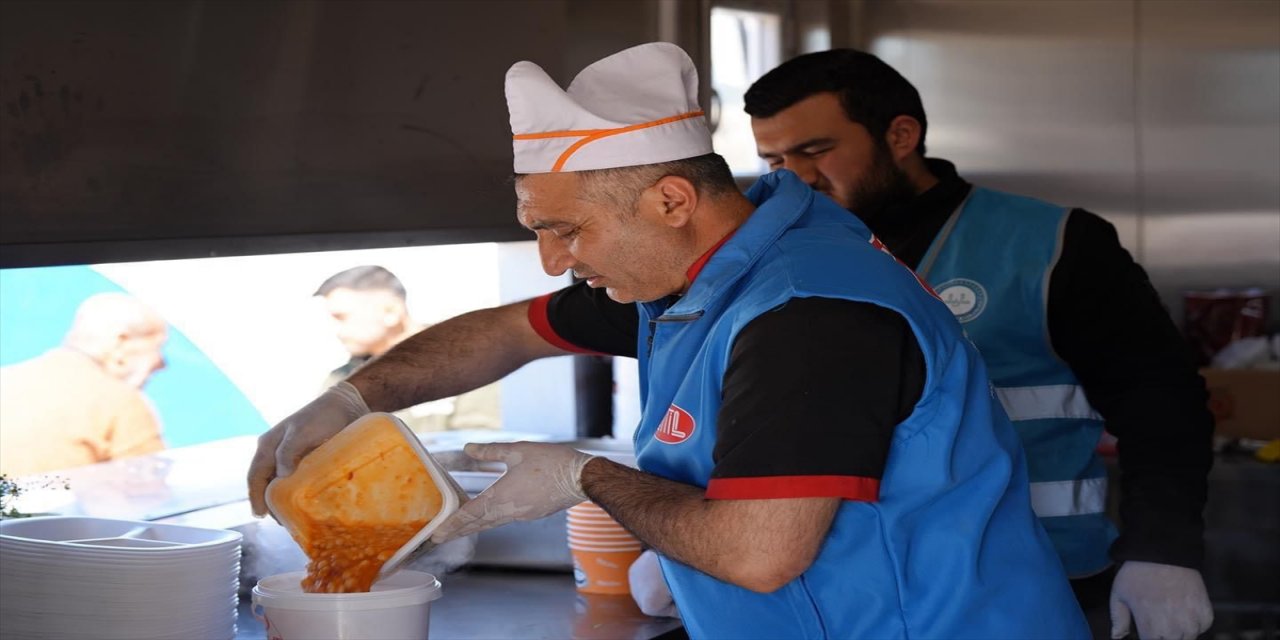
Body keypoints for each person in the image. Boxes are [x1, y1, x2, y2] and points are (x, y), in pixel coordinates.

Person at [249, 42, 1088, 637]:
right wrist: (350, 398)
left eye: (566, 230)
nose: (553, 262)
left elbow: (759, 555)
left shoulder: (808, 314)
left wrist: (583, 476)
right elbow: (505, 333)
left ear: (673, 202)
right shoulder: (695, 275)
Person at [736, 49, 1215, 639]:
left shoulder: (1050, 246)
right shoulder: (785, 260)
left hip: (1037, 586)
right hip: (849, 595)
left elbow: (1159, 401)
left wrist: (1163, 549)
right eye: (774, 160)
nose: (794, 178)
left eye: (815, 150)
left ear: (901, 135)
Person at [314, 265, 500, 432]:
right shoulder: (340, 380)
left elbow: (479, 441)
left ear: (391, 311)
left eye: (341, 317)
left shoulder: (463, 359)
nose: (335, 330)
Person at [0, 292, 167, 476]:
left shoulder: (6, 379)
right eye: (158, 346)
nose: (161, 363)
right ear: (120, 342)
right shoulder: (121, 402)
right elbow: (150, 489)